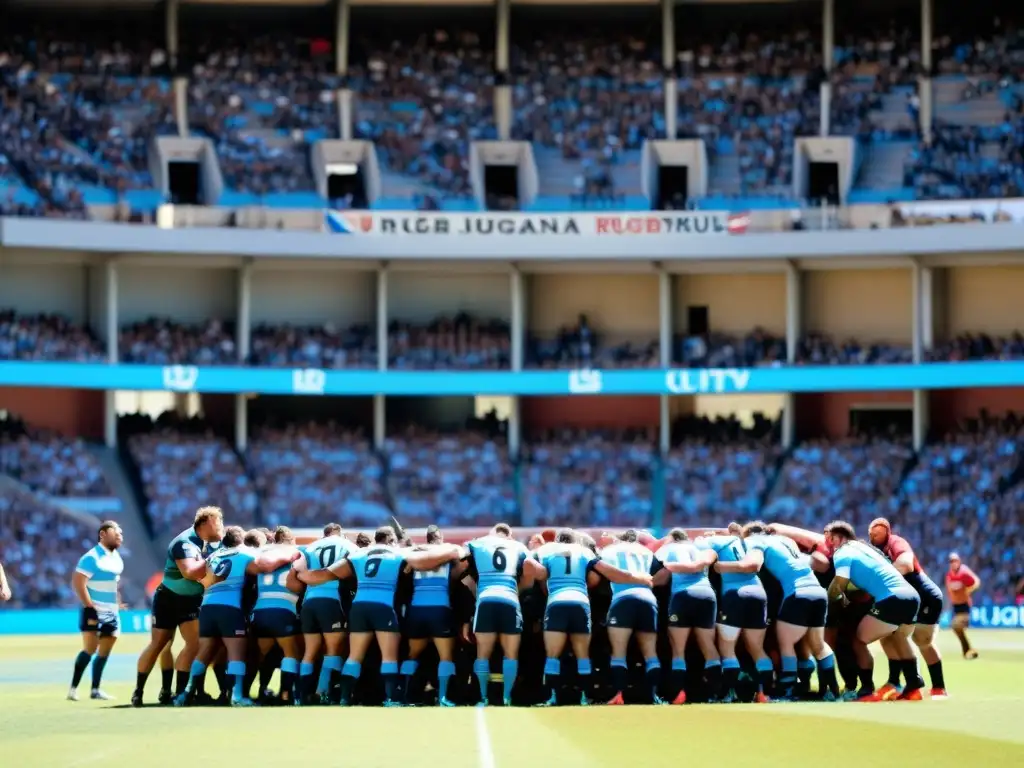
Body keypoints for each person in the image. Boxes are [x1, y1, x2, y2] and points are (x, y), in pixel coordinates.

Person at [297, 526, 460, 706]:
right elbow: (423, 563)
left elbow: (326, 574)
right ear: (391, 540)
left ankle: (344, 698)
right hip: (383, 606)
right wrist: (451, 553)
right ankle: (391, 698)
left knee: (354, 656)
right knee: (388, 656)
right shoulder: (398, 553)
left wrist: (302, 573)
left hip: (359, 607)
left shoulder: (358, 555)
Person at [175, 526, 301, 707]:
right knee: (237, 653)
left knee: (204, 652)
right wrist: (289, 555)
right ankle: (238, 695)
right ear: (240, 540)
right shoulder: (244, 554)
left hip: (208, 606)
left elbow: (200, 575)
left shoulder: (214, 556)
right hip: (230, 607)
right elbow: (264, 566)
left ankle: (186, 693)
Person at [533, 529, 651, 706]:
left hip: (557, 602)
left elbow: (534, 570)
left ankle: (552, 697)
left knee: (552, 656)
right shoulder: (585, 552)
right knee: (583, 655)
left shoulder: (546, 551)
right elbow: (611, 573)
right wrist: (638, 578)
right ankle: (584, 697)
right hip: (580, 602)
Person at [730, 523, 839, 701]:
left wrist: (725, 566)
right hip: (819, 592)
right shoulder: (785, 542)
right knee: (818, 645)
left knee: (786, 642)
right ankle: (831, 691)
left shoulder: (754, 541)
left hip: (797, 592)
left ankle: (788, 690)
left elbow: (754, 564)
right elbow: (821, 565)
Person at [132, 506, 224, 707]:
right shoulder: (184, 543)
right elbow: (190, 573)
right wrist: (213, 560)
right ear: (207, 521)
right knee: (159, 644)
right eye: (219, 522)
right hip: (169, 599)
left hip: (191, 601)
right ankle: (138, 692)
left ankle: (181, 693)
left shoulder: (210, 544)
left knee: (196, 644)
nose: (222, 527)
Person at [825, 521, 922, 701]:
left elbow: (839, 584)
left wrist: (829, 599)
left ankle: (867, 689)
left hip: (891, 599)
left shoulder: (842, 553)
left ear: (836, 539)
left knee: (859, 639)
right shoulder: (867, 549)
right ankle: (914, 684)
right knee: (896, 635)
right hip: (911, 596)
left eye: (828, 540)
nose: (828, 546)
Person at [869, 518, 947, 699]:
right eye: (872, 532)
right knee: (889, 635)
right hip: (909, 600)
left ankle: (937, 687)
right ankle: (896, 682)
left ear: (887, 531)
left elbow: (906, 564)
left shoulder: (896, 542)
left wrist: (879, 577)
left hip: (926, 598)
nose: (874, 535)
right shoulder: (876, 552)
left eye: (878, 531)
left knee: (922, 641)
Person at [464, 523, 536, 707]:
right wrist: (517, 590)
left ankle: (482, 696)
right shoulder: (518, 546)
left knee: (482, 654)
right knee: (511, 654)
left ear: (492, 534)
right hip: (510, 600)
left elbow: (461, 564)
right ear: (509, 535)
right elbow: (530, 572)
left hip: (486, 599)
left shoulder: (478, 543)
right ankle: (507, 697)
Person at [702, 527, 773, 702]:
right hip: (758, 593)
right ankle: (764, 693)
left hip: (734, 594)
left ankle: (728, 694)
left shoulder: (717, 542)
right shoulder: (752, 544)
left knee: (727, 648)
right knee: (757, 649)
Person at [654, 528, 721, 704]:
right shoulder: (700, 547)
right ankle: (717, 695)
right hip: (707, 594)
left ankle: (677, 695)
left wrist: (645, 581)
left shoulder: (667, 549)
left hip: (682, 596)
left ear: (672, 538)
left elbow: (661, 578)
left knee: (678, 649)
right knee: (708, 646)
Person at [599, 529, 662, 705]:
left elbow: (597, 573)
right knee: (650, 652)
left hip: (622, 600)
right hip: (648, 599)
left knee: (619, 652)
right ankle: (653, 696)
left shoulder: (608, 551)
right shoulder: (647, 552)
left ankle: (619, 695)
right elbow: (664, 572)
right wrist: (650, 581)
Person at [401, 525, 458, 707]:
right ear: (440, 537)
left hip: (417, 609)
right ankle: (443, 697)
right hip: (439, 608)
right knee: (446, 656)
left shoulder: (415, 553)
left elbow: (405, 573)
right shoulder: (448, 550)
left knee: (412, 655)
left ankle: (405, 695)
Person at [68, 521, 124, 702]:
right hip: (93, 610)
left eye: (121, 533)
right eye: (116, 532)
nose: (120, 535)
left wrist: (117, 602)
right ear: (103, 534)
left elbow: (113, 584)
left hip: (111, 612)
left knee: (106, 649)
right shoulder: (91, 557)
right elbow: (78, 583)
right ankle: (73, 689)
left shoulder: (116, 558)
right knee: (90, 649)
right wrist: (89, 606)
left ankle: (95, 689)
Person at [298, 523, 353, 703]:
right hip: (331, 600)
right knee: (333, 649)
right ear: (340, 533)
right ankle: (323, 692)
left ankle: (301, 696)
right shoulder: (347, 545)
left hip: (309, 601)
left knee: (310, 651)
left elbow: (298, 569)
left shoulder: (310, 547)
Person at [251, 526, 304, 704]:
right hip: (284, 608)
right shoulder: (298, 552)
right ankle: (286, 695)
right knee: (291, 653)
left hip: (260, 609)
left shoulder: (262, 552)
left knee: (261, 654)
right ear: (291, 539)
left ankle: (258, 692)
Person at [945, 552, 981, 660]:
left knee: (956, 626)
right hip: (956, 606)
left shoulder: (964, 571)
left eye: (955, 561)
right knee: (957, 629)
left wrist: (968, 590)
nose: (953, 563)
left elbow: (976, 582)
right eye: (951, 561)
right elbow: (949, 590)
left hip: (964, 606)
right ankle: (969, 650)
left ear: (959, 561)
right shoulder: (950, 574)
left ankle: (968, 650)